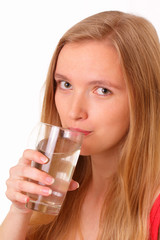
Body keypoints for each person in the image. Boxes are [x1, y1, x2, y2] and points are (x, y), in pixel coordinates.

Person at [1, 10, 160, 240]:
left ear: (143, 99)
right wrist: (19, 211)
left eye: (102, 90)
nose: (74, 111)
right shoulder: (55, 194)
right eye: (65, 84)